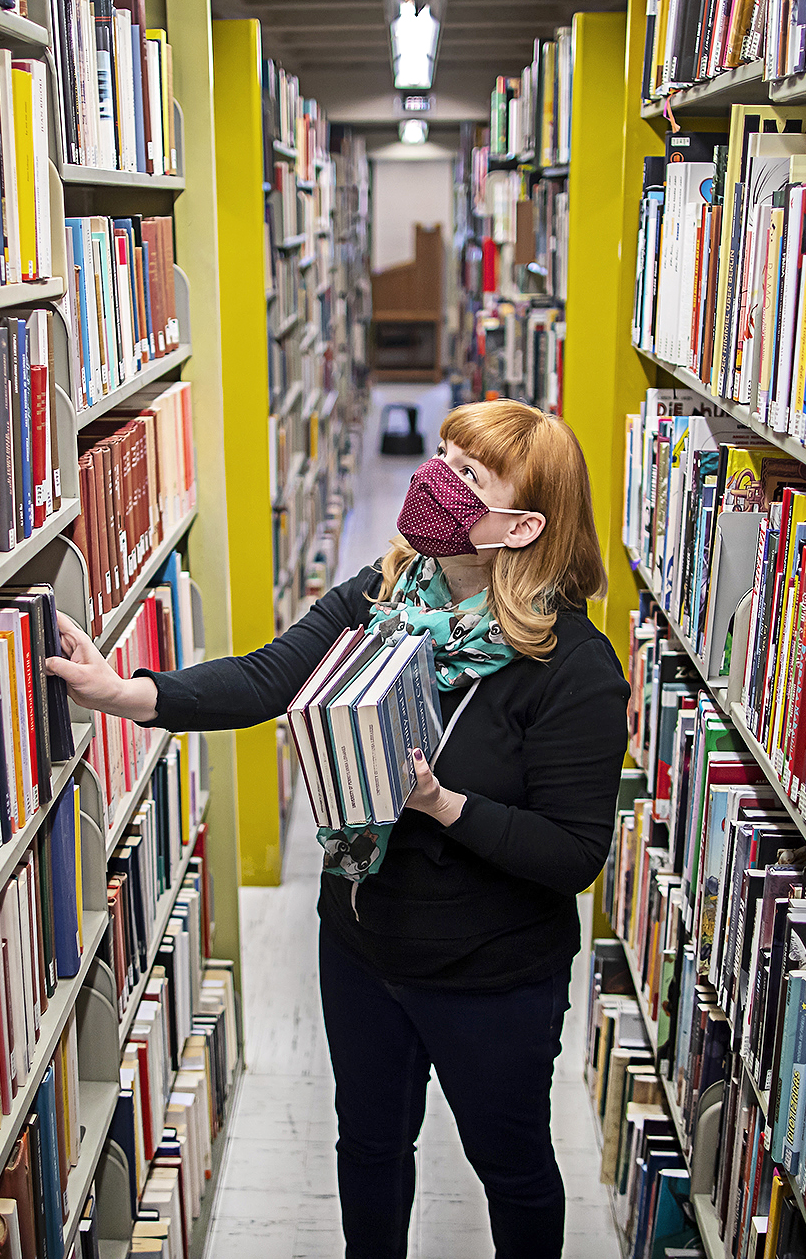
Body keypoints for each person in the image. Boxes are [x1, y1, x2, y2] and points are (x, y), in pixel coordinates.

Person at [44, 399, 629, 1258]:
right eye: (440, 456)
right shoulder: (385, 595)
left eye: (469, 475)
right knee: (370, 1146)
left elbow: (573, 854)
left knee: (510, 1166)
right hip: (361, 944)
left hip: (492, 974)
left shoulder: (574, 668)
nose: (437, 480)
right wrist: (128, 692)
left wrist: (441, 804)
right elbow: (267, 677)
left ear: (521, 525)